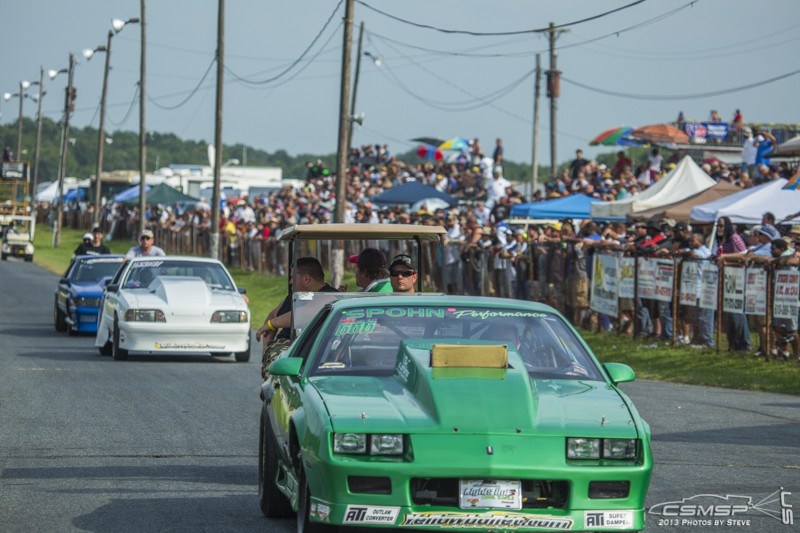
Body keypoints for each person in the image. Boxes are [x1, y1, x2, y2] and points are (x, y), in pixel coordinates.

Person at [256, 257, 338, 378]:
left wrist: (271, 324)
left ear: (306, 279)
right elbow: (273, 314)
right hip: (285, 346)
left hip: (313, 347)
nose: (290, 282)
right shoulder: (294, 296)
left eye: (292, 277)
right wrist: (266, 348)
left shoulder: (330, 296)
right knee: (276, 362)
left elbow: (304, 314)